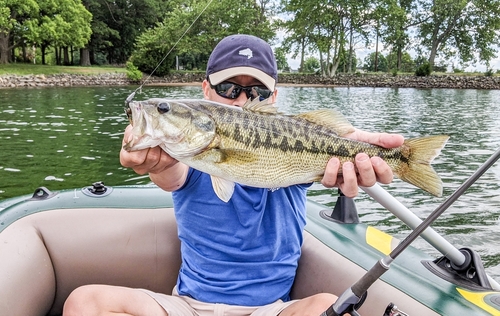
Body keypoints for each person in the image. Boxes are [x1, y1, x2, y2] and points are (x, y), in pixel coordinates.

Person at [63, 34, 404, 316]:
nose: (241, 100)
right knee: (85, 303)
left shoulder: (292, 140)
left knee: (333, 307)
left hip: (272, 310)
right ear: (205, 90)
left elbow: (326, 155)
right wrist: (150, 160)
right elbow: (167, 171)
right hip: (188, 307)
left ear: (274, 97)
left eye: (257, 92)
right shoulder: (185, 157)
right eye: (229, 89)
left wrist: (354, 153)